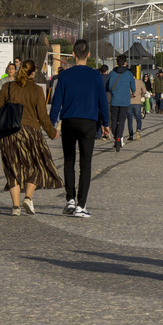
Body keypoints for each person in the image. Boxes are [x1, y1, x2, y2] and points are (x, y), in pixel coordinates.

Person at [48, 39, 109, 218]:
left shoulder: (65, 76)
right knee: (85, 164)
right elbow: (102, 102)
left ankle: (70, 200)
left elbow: (56, 102)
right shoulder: (96, 76)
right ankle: (81, 205)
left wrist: (52, 124)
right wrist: (106, 123)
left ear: (73, 54)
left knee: (69, 161)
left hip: (69, 122)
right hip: (88, 122)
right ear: (88, 54)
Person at [0, 60, 62, 215]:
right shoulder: (37, 90)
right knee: (37, 165)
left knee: (12, 168)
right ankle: (28, 198)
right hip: (30, 132)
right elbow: (42, 116)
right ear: (33, 73)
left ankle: (15, 207)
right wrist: (52, 133)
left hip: (8, 133)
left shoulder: (8, 87)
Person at [106, 56, 138, 150]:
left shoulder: (112, 73)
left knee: (114, 120)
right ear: (125, 63)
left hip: (114, 101)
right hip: (125, 101)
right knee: (122, 121)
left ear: (117, 63)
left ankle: (116, 136)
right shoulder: (128, 74)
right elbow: (133, 86)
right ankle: (119, 137)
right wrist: (133, 92)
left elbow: (108, 86)